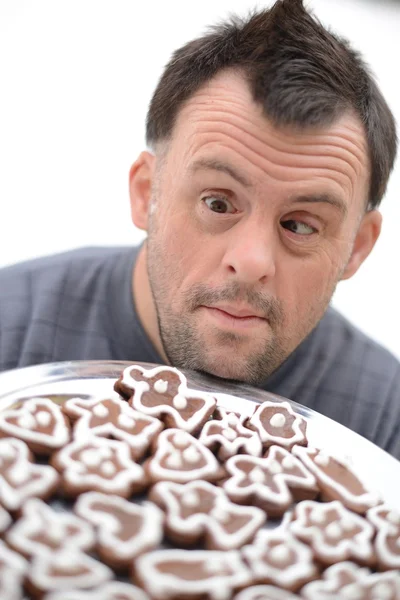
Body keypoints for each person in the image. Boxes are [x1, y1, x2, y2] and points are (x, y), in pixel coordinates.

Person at [1, 0, 399, 458]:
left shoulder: (384, 421)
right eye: (218, 203)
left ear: (357, 248)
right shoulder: (10, 330)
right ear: (146, 192)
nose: (251, 262)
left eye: (299, 225)